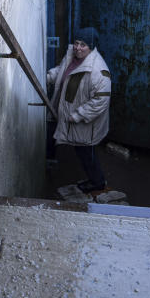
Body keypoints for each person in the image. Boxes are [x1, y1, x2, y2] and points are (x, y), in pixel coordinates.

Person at [46, 27, 112, 192]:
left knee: (85, 151)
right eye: (76, 43)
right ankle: (50, 159)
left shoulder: (98, 70)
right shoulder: (72, 56)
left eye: (83, 45)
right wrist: (49, 76)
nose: (78, 48)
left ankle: (98, 181)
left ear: (91, 47)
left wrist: (78, 115)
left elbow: (101, 100)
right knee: (51, 130)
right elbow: (62, 71)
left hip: (82, 121)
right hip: (63, 110)